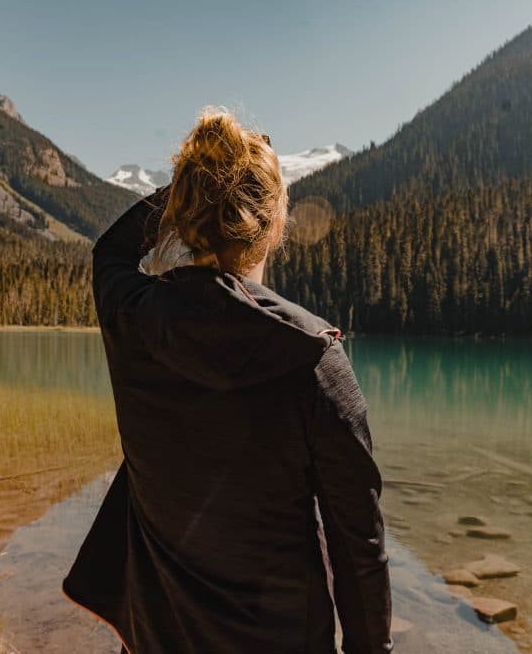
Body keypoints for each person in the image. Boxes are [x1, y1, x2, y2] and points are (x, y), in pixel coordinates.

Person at [62, 108, 392, 653]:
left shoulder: (135, 321)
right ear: (274, 226)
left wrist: (192, 189)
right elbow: (359, 547)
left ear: (184, 214)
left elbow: (111, 252)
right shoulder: (316, 361)